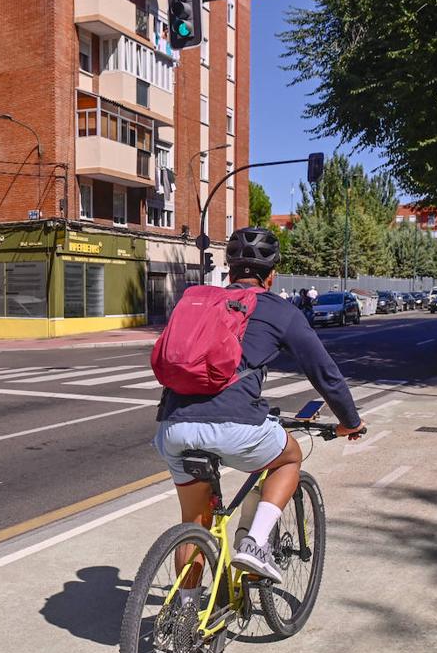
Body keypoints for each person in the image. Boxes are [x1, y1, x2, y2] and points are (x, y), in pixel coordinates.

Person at [154, 228, 365, 589]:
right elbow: (324, 373)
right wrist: (351, 421)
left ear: (230, 268)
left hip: (174, 425)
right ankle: (255, 542)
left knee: (194, 523)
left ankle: (185, 619)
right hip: (236, 425)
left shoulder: (200, 301)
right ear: (272, 275)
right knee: (289, 457)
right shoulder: (280, 310)